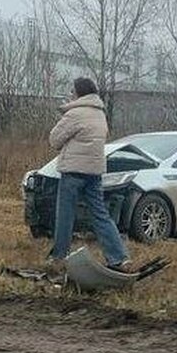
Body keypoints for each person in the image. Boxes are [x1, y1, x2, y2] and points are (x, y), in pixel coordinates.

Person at [47, 77, 130, 272]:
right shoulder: (100, 113)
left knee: (65, 215)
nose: (70, 94)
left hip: (73, 172)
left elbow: (54, 140)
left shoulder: (74, 114)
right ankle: (118, 256)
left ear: (78, 93)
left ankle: (59, 255)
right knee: (100, 215)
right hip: (94, 172)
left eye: (72, 91)